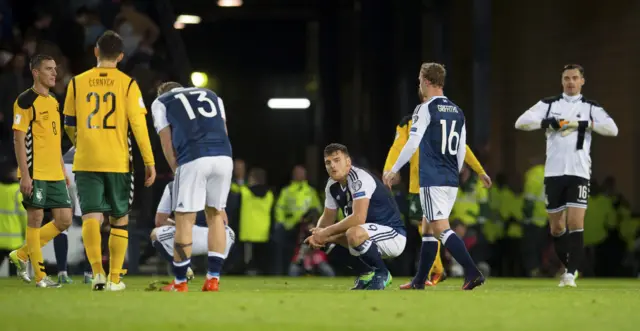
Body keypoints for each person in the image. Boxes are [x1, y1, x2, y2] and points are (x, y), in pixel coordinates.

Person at [63, 31, 156, 291]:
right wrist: (149, 161)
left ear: (96, 51)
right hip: (117, 161)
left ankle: (97, 274)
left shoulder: (77, 82)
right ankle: (115, 278)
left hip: (86, 159)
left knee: (92, 216)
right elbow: (139, 127)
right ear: (121, 56)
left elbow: (68, 123)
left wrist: (81, 142)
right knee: (119, 220)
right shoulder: (127, 84)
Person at [514, 64, 618, 287]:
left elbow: (613, 129)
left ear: (582, 81)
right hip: (553, 173)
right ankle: (571, 264)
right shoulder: (550, 104)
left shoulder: (590, 107)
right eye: (567, 78)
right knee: (557, 228)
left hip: (579, 172)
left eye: (575, 78)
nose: (570, 82)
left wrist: (586, 124)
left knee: (575, 223)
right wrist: (545, 122)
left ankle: (570, 273)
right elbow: (520, 122)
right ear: (562, 81)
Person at [384, 62, 485, 290]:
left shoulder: (425, 109)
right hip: (450, 178)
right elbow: (460, 149)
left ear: (427, 81)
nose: (419, 85)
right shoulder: (458, 111)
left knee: (440, 228)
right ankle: (420, 280)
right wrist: (454, 172)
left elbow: (412, 143)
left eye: (420, 80)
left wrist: (394, 169)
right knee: (428, 228)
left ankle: (472, 272)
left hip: (431, 178)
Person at [151, 81, 233, 292]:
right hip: (224, 156)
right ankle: (213, 279)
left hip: (194, 157)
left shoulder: (161, 101)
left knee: (184, 219)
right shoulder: (211, 94)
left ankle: (179, 282)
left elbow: (166, 141)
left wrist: (176, 168)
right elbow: (223, 129)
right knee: (215, 215)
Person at [9, 54, 73, 288]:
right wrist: (25, 174)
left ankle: (22, 254)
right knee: (35, 219)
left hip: (55, 172)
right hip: (35, 172)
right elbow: (18, 140)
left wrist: (62, 169)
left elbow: (55, 140)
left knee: (64, 220)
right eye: (49, 69)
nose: (54, 73)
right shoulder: (25, 101)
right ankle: (40, 277)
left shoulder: (54, 101)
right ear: (36, 72)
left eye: (55, 69)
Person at [306, 143, 407, 290]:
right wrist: (317, 235)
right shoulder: (331, 185)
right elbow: (328, 216)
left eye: (337, 160)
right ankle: (366, 273)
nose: (332, 166)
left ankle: (382, 273)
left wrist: (325, 233)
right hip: (365, 236)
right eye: (328, 162)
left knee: (352, 233)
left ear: (348, 162)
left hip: (392, 235)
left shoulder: (359, 178)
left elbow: (359, 218)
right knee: (327, 241)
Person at [150, 181, 236, 280]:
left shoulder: (173, 185)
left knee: (156, 233)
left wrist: (180, 225)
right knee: (229, 232)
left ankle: (184, 268)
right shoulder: (213, 184)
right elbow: (224, 221)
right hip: (213, 239)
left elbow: (160, 221)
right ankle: (214, 273)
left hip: (184, 238)